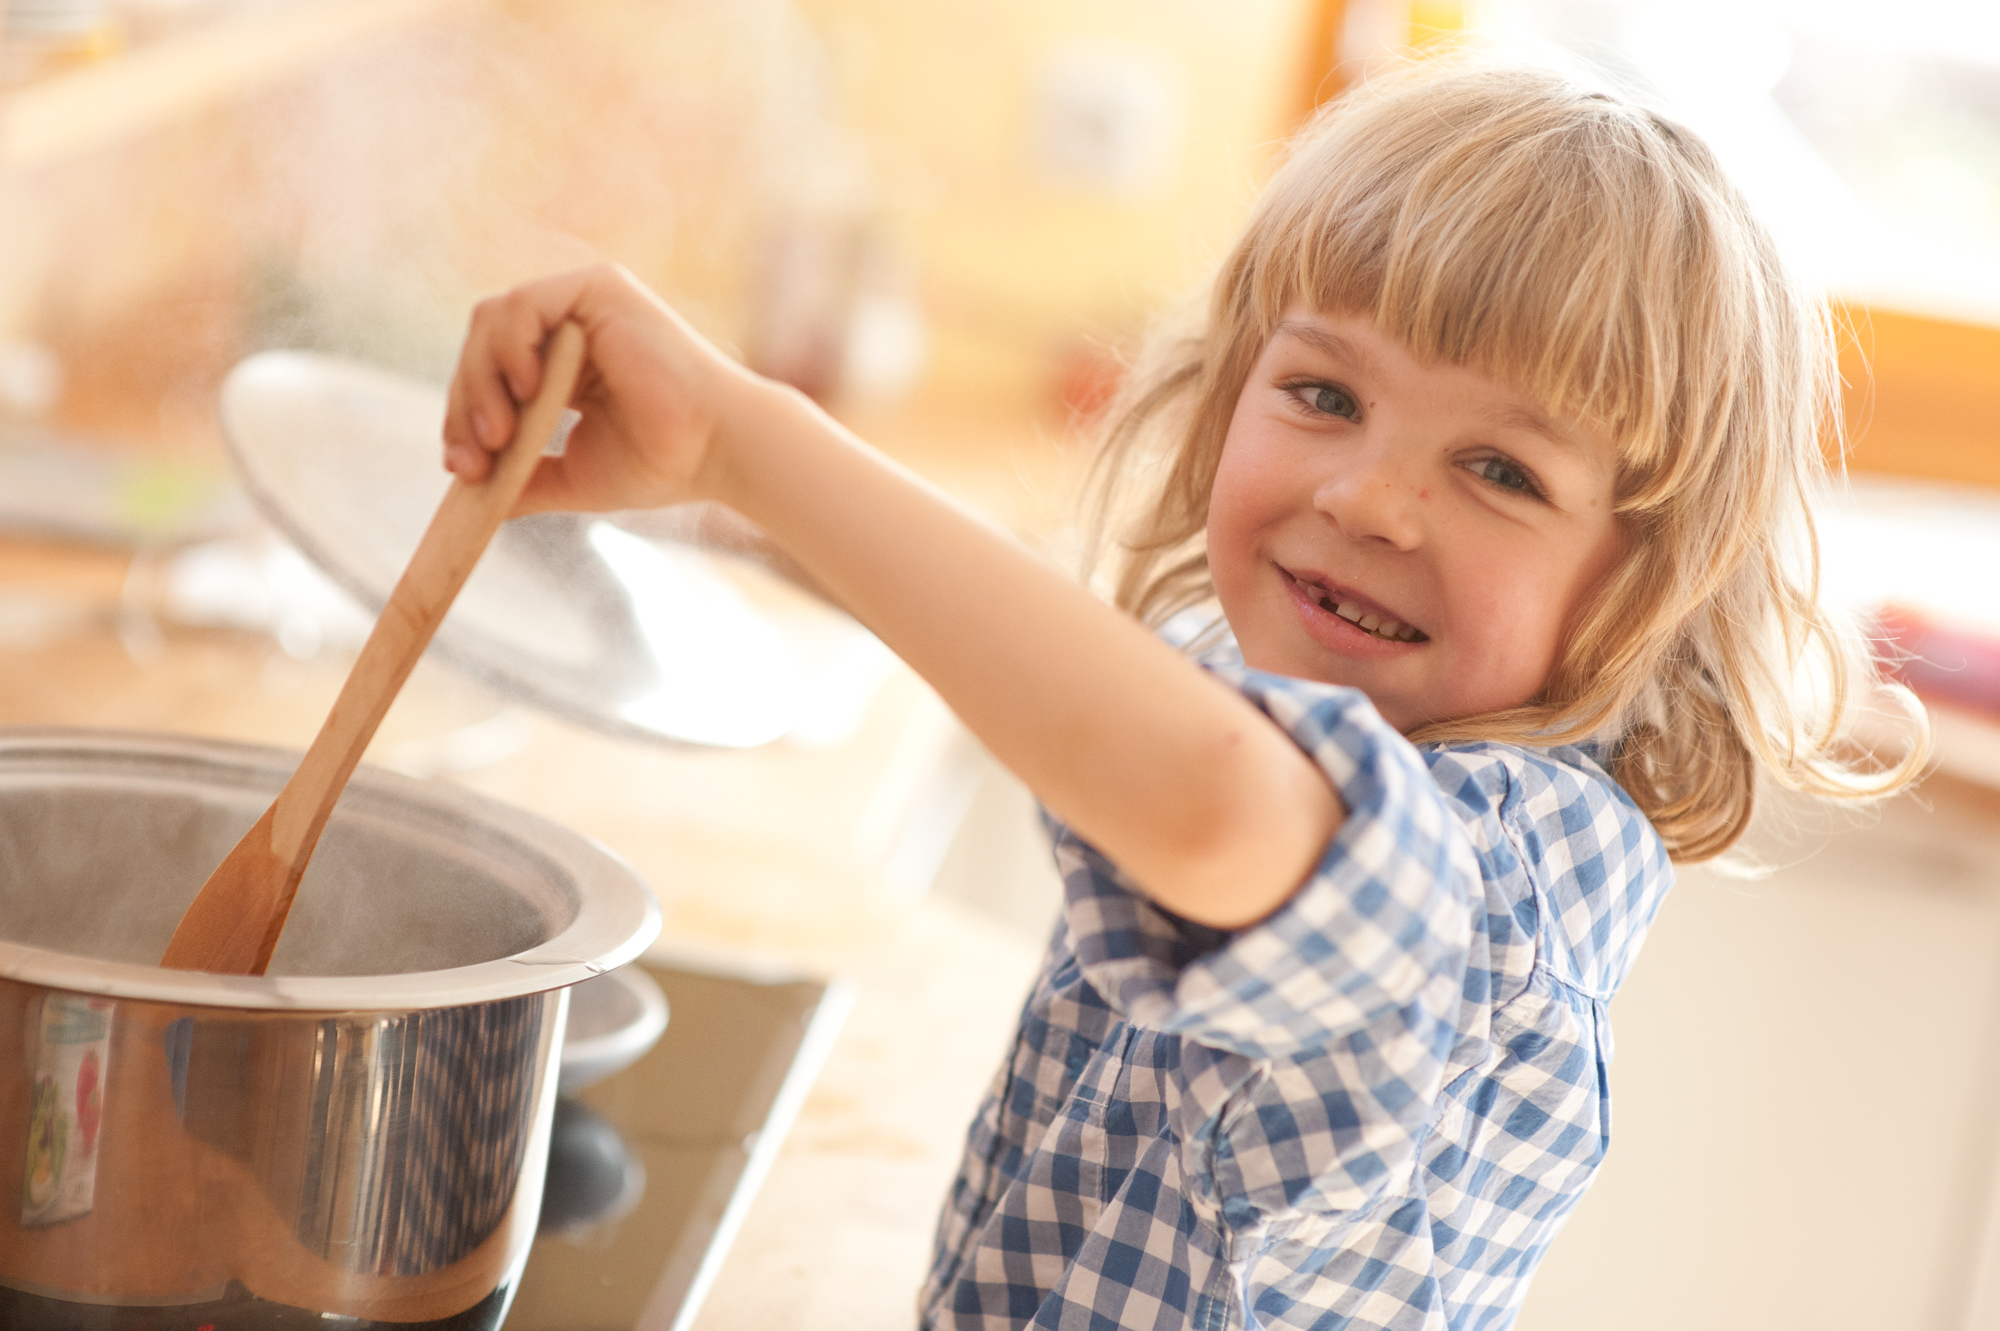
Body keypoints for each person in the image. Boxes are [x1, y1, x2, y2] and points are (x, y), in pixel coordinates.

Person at [443, 54, 1925, 1331]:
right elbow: (1097, 684)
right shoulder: (1271, 678)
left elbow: (1221, 804)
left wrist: (743, 441)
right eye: (1325, 394)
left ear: (1645, 584)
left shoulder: (1515, 870)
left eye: (1501, 471)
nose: (1372, 500)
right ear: (1229, 398)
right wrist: (718, 507)